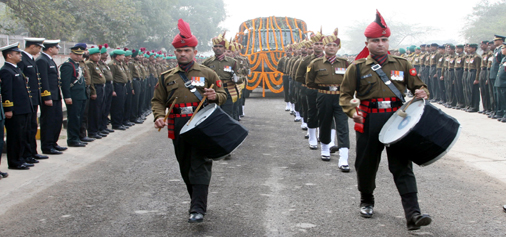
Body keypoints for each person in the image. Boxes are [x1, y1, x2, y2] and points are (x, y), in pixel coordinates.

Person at [339, 10, 431, 230]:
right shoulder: (357, 67)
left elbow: (419, 85)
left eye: (384, 39)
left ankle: (413, 214)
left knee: (402, 166)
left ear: (388, 41)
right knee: (367, 163)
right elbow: (344, 96)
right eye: (375, 40)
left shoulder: (402, 64)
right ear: (367, 43)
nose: (380, 44)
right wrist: (353, 113)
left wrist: (421, 91)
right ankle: (367, 200)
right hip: (369, 119)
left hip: (397, 119)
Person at [152, 19, 226, 223]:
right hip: (178, 123)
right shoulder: (166, 77)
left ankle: (198, 208)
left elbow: (223, 94)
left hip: (201, 123)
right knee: (185, 165)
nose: (182, 54)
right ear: (175, 53)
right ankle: (196, 201)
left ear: (194, 51)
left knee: (200, 163)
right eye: (179, 51)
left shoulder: (207, 73)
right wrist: (158, 116)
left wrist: (214, 96)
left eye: (186, 50)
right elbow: (157, 101)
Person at [306, 28, 350, 171]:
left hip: (341, 96)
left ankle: (344, 157)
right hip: (324, 95)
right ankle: (325, 147)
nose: (331, 47)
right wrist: (323, 89)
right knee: (324, 122)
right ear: (324, 47)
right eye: (329, 45)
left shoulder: (345, 63)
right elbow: (310, 81)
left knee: (343, 126)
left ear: (338, 48)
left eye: (334, 45)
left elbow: (350, 80)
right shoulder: (316, 63)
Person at [0, 42, 34, 170]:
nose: (20, 55)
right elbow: (7, 92)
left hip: (23, 108)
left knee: (22, 135)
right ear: (9, 55)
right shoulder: (6, 71)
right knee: (15, 136)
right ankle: (15, 162)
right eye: (17, 53)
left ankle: (21, 159)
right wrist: (8, 108)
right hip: (15, 110)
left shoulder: (16, 69)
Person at [19, 37, 49, 161]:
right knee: (26, 128)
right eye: (38, 47)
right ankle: (26, 153)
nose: (39, 50)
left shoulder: (31, 59)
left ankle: (32, 152)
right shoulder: (22, 60)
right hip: (27, 99)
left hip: (34, 99)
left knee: (32, 126)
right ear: (32, 46)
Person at [37, 39, 67, 154]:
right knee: (48, 122)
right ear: (50, 49)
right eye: (56, 47)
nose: (58, 49)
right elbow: (43, 80)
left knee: (56, 120)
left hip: (56, 95)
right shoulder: (42, 60)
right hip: (49, 97)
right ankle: (47, 146)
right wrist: (46, 97)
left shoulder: (49, 60)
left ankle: (53, 143)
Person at [202, 33, 239, 120]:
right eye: (216, 46)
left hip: (228, 90)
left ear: (224, 48)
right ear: (212, 48)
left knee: (227, 115)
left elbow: (239, 75)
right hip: (213, 91)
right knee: (214, 115)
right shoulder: (206, 63)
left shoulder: (232, 62)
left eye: (220, 46)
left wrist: (236, 79)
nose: (218, 48)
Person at [60, 43, 88, 147]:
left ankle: (78, 137)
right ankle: (72, 139)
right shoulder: (68, 65)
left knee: (79, 117)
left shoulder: (77, 65)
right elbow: (65, 83)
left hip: (80, 95)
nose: (78, 56)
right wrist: (67, 96)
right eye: (76, 54)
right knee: (73, 118)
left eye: (80, 54)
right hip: (73, 96)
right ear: (71, 54)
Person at [86, 46, 107, 139]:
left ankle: (98, 129)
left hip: (101, 88)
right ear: (90, 56)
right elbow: (90, 79)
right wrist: (93, 92)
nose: (98, 56)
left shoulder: (96, 64)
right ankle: (92, 131)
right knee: (94, 111)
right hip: (96, 88)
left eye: (99, 54)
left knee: (100, 109)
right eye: (95, 55)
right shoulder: (89, 64)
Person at [109, 48, 129, 130]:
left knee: (121, 105)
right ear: (117, 56)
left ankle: (120, 122)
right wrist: (113, 90)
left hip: (122, 86)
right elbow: (111, 78)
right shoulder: (112, 64)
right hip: (117, 86)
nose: (124, 57)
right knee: (117, 106)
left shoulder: (120, 64)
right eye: (122, 55)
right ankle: (116, 124)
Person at [495, 42, 506, 122]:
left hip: (504, 83)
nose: (502, 50)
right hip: (500, 82)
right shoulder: (503, 58)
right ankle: (502, 113)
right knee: (501, 100)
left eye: (503, 48)